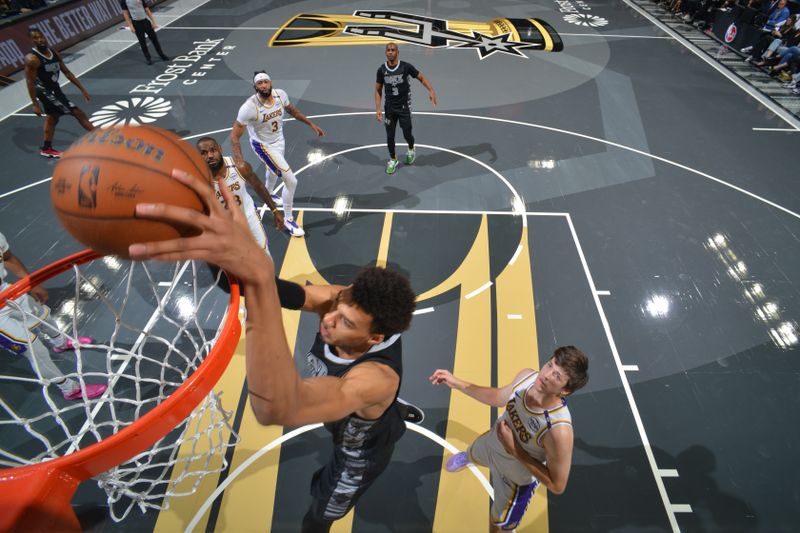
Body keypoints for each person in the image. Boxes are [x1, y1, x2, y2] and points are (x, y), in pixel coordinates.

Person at [127, 170, 420, 531]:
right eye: (337, 309)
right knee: (373, 412)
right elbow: (275, 291)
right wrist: (217, 253)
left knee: (321, 510)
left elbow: (279, 406)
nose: (329, 320)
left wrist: (260, 286)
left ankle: (385, 417)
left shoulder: (372, 379)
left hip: (359, 450)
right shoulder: (344, 301)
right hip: (357, 408)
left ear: (374, 339)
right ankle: (390, 414)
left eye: (345, 323)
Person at [430, 346, 589, 532]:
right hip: (492, 443)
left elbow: (557, 485)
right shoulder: (528, 377)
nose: (546, 375)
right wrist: (457, 383)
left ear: (566, 390)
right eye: (549, 365)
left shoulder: (558, 430)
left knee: (498, 523)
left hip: (514, 479)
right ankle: (468, 458)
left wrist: (515, 449)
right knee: (472, 452)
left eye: (557, 376)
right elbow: (498, 397)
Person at [0, 231, 106, 401]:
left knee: (44, 316)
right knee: (34, 348)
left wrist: (30, 282)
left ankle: (61, 342)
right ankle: (69, 388)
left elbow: (7, 257)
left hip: (5, 290)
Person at [230, 71, 325, 238]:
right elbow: (234, 136)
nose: (264, 85)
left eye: (266, 82)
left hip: (279, 140)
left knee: (274, 169)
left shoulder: (280, 95)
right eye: (260, 83)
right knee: (291, 180)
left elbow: (293, 111)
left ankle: (269, 192)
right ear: (255, 87)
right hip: (263, 145)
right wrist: (239, 161)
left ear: (270, 82)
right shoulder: (249, 108)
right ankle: (288, 220)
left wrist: (311, 124)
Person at [196, 136, 283, 255]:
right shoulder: (200, 180)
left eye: (213, 150)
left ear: (220, 150)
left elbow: (259, 187)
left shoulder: (239, 167)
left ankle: (269, 274)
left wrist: (275, 211)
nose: (210, 155)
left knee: (263, 252)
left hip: (248, 215)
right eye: (204, 153)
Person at [24, 28, 94, 159]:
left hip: (55, 89)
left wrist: (82, 89)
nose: (40, 40)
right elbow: (30, 82)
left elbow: (67, 73)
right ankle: (104, 137)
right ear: (32, 41)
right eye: (35, 38)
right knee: (77, 112)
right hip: (43, 90)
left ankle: (46, 148)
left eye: (41, 36)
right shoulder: (32, 59)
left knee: (53, 117)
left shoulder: (54, 53)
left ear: (45, 36)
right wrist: (35, 103)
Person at [374, 42, 437, 175]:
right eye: (388, 50)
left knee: (407, 134)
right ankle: (393, 159)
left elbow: (421, 77)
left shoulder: (405, 67)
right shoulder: (381, 70)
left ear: (398, 52)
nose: (390, 52)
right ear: (385, 52)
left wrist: (431, 90)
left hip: (404, 107)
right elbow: (378, 90)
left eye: (393, 50)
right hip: (390, 108)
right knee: (390, 136)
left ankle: (411, 148)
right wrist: (378, 108)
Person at [120, 0, 169, 65]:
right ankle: (148, 58)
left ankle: (162, 55)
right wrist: (130, 26)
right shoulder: (124, 1)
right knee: (142, 42)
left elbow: (147, 9)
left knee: (154, 39)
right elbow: (125, 13)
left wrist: (153, 22)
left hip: (145, 21)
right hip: (136, 24)